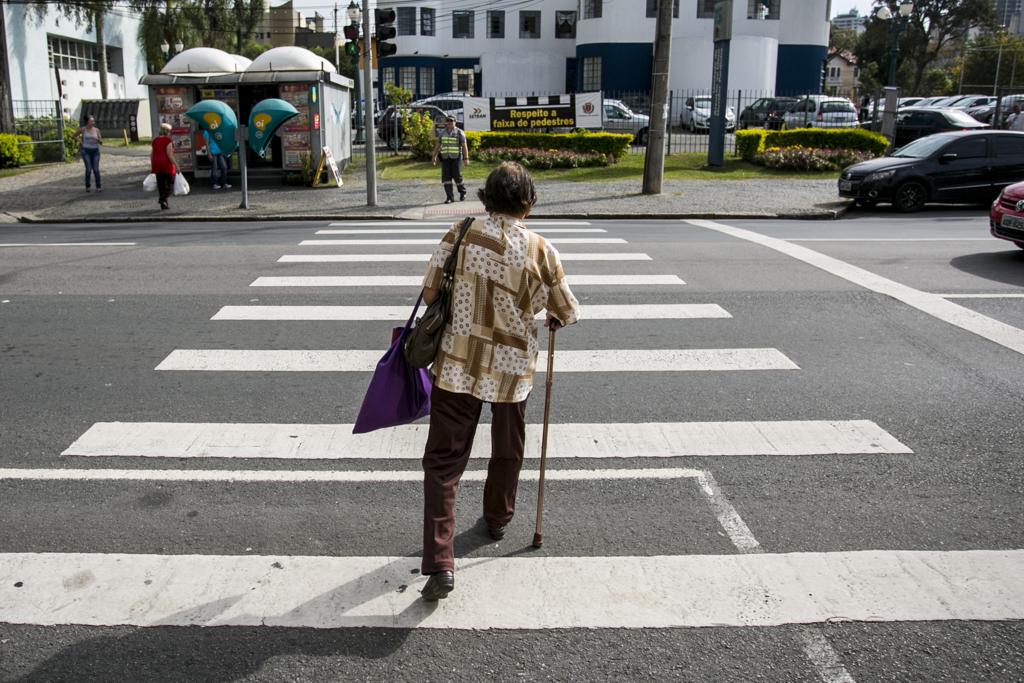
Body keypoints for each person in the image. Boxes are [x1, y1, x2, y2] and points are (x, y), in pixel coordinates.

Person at [417, 161, 581, 601]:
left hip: (457, 362)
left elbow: (430, 293)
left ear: (486, 199)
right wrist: (546, 314)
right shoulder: (541, 249)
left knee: (444, 463)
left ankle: (440, 562)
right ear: (528, 203)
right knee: (508, 449)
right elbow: (566, 311)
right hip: (511, 369)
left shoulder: (460, 233)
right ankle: (498, 517)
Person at [431, 115, 470, 204]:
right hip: (445, 159)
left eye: (451, 121)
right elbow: (437, 146)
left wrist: (466, 158)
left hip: (456, 158)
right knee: (446, 178)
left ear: (455, 122)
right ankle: (449, 197)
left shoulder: (460, 132)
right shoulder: (442, 133)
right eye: (448, 121)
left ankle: (462, 193)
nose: (449, 122)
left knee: (457, 176)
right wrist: (434, 157)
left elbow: (464, 146)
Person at [151, 123, 177, 210]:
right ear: (167, 131)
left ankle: (164, 204)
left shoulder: (155, 140)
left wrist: (152, 164)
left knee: (161, 185)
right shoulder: (167, 141)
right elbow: (169, 155)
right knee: (170, 183)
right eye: (170, 131)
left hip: (156, 164)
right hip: (166, 164)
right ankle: (162, 199)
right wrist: (177, 165)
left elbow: (152, 154)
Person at [77, 116, 102, 193]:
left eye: (93, 121)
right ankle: (88, 186)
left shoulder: (96, 130)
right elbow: (73, 135)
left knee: (96, 169)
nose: (93, 122)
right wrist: (81, 142)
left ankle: (98, 186)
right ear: (87, 122)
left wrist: (98, 140)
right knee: (88, 169)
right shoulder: (83, 129)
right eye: (92, 121)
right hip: (86, 151)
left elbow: (101, 141)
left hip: (95, 151)